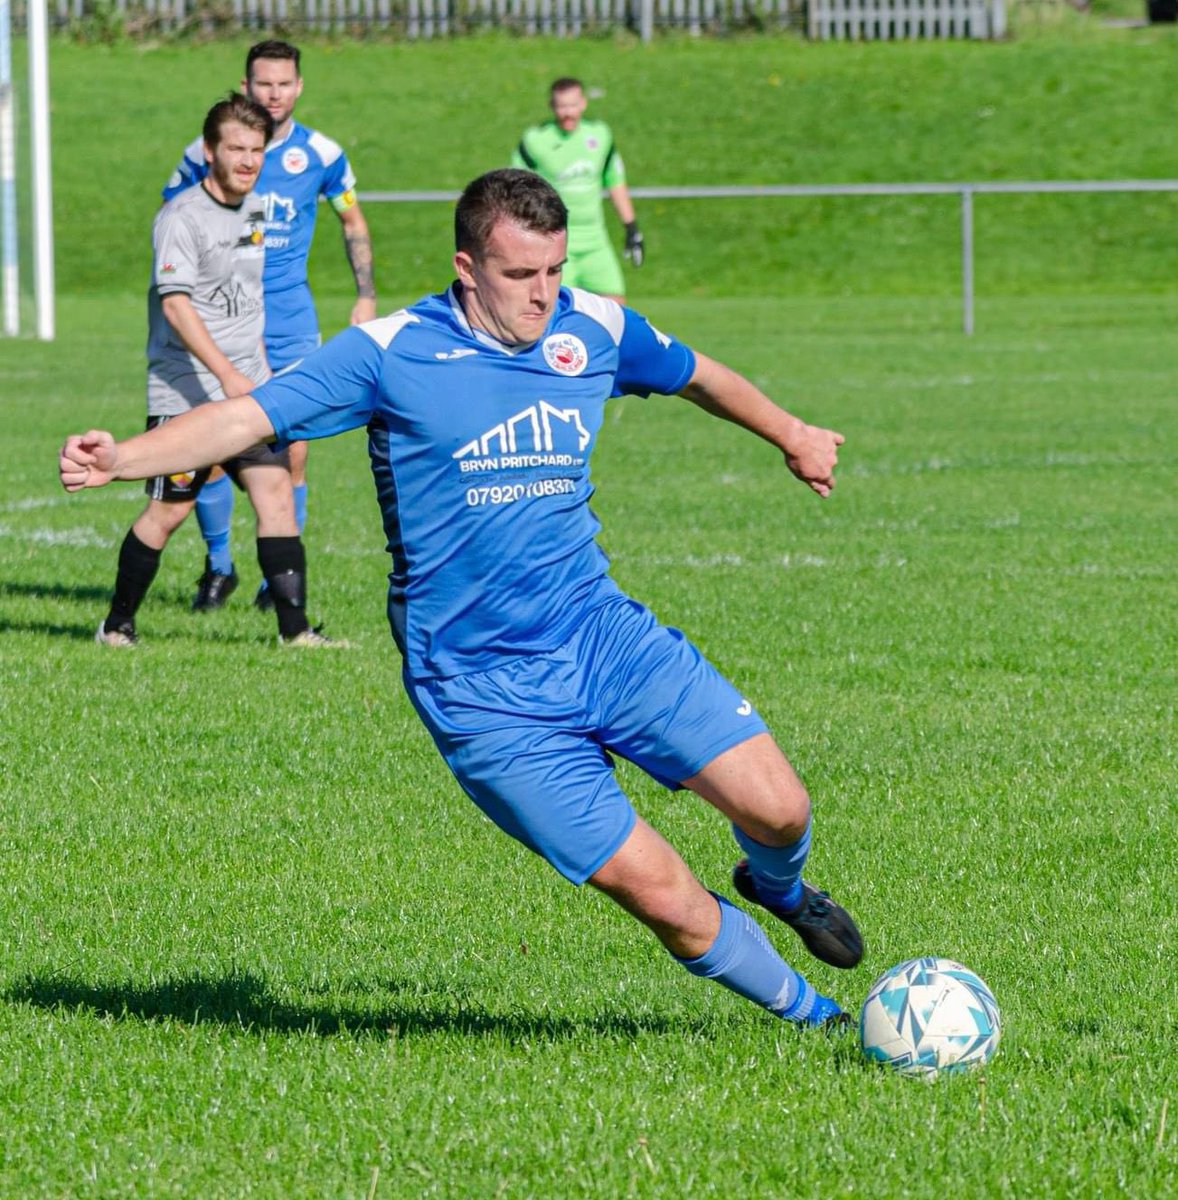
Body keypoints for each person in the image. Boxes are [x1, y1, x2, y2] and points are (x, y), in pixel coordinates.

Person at [62, 169, 861, 1025]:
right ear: (466, 266)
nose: (543, 294)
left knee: (781, 808)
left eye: (553, 270)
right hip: (480, 689)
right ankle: (824, 1022)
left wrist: (793, 434)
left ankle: (777, 886)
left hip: (598, 635)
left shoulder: (590, 327)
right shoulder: (391, 351)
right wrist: (122, 459)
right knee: (664, 896)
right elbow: (247, 417)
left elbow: (696, 373)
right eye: (521, 276)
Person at [94, 92, 333, 650]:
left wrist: (260, 369)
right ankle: (116, 625)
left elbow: (244, 298)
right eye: (236, 149)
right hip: (187, 393)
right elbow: (177, 306)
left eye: (257, 150)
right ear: (209, 151)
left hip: (250, 388)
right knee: (168, 511)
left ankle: (295, 633)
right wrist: (227, 374)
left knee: (275, 496)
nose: (248, 160)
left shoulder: (254, 208)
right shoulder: (180, 217)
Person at [163, 39, 377, 612]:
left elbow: (352, 220)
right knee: (210, 447)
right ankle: (218, 567)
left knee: (294, 448)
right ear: (245, 85)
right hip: (224, 320)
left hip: (290, 319)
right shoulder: (203, 153)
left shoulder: (323, 155)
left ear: (299, 87)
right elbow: (176, 221)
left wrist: (365, 295)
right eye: (263, 84)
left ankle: (275, 582)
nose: (274, 93)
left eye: (283, 83)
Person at [512, 77, 643, 304]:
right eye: (561, 106)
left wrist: (631, 227)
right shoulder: (535, 140)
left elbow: (614, 181)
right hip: (556, 241)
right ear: (552, 106)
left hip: (596, 241)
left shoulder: (600, 135)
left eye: (572, 105)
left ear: (583, 103)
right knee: (557, 308)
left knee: (616, 307)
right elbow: (515, 189)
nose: (567, 113)